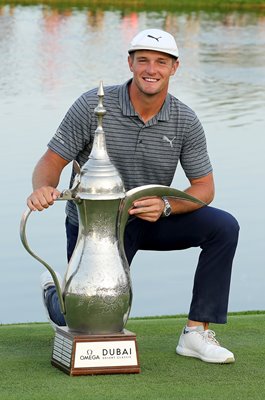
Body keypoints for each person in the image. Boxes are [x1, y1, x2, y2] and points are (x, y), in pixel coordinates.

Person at [27, 28, 239, 364]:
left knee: (224, 227)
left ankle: (195, 334)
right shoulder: (91, 105)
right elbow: (51, 161)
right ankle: (55, 293)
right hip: (96, 229)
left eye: (161, 62)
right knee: (87, 326)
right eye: (143, 60)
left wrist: (168, 205)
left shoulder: (185, 119)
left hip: (150, 217)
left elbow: (204, 188)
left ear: (174, 68)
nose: (151, 69)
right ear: (130, 63)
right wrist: (43, 187)